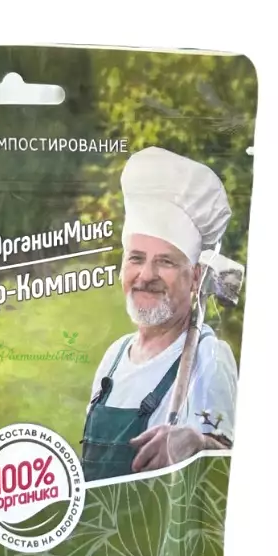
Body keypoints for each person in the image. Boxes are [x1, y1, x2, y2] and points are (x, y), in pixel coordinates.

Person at [81, 147, 239, 481]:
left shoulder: (208, 357)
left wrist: (198, 444)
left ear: (194, 277)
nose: (146, 275)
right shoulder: (114, 357)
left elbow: (230, 473)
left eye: (165, 261)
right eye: (136, 258)